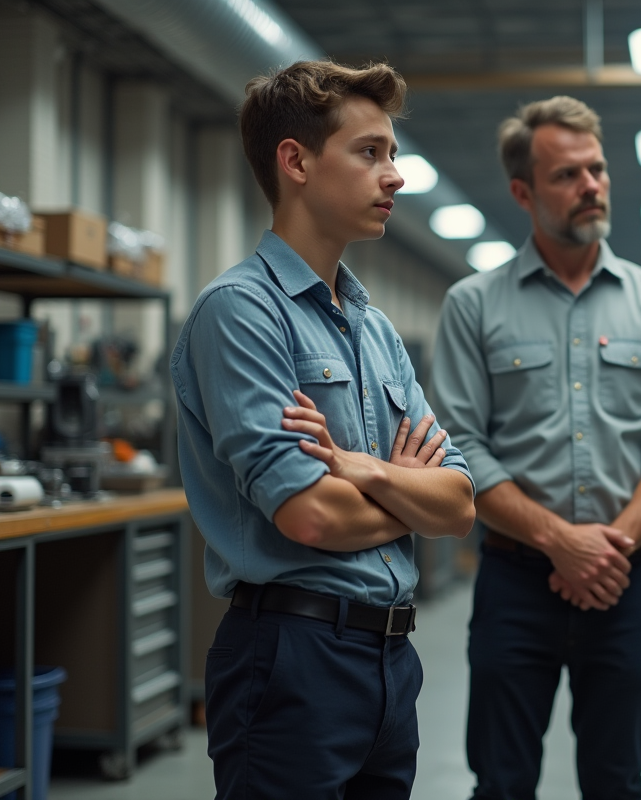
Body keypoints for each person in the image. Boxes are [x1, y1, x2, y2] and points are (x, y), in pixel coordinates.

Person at [172, 60, 475, 800]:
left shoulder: (374, 330)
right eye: (370, 152)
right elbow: (308, 514)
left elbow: (461, 504)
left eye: (393, 154)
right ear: (296, 161)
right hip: (290, 658)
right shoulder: (241, 313)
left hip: (389, 665)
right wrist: (405, 489)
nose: (394, 175)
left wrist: (363, 470)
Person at [432, 96, 641, 800]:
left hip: (624, 585)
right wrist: (559, 542)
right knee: (502, 783)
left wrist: (603, 549)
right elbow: (462, 449)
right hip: (513, 586)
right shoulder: (474, 305)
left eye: (598, 169)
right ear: (523, 192)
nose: (591, 186)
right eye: (567, 175)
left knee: (618, 783)